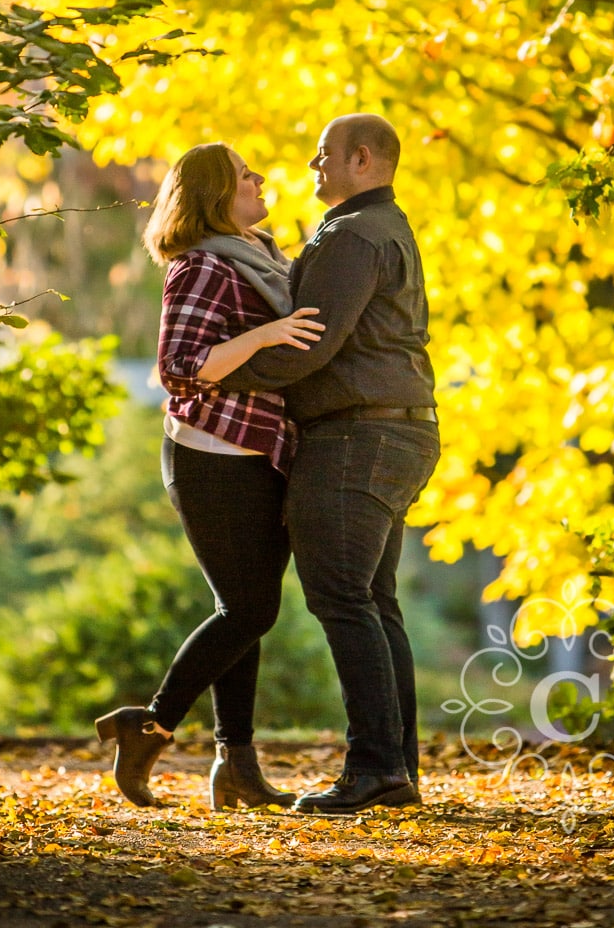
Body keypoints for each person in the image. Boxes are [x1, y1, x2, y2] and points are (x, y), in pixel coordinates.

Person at [95, 142, 324, 810]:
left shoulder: (260, 255)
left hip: (259, 451)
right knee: (251, 609)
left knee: (242, 613)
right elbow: (178, 366)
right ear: (215, 196)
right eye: (243, 174)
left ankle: (237, 768)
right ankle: (150, 726)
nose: (259, 179)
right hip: (209, 453)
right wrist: (266, 335)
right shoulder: (201, 265)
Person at [221, 114, 438, 815]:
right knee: (372, 601)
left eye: (323, 157)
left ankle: (373, 768)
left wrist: (215, 374)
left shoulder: (351, 235)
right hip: (396, 431)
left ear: (363, 159)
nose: (311, 167)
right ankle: (395, 767)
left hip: (356, 438)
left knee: (342, 598)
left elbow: (308, 346)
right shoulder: (387, 227)